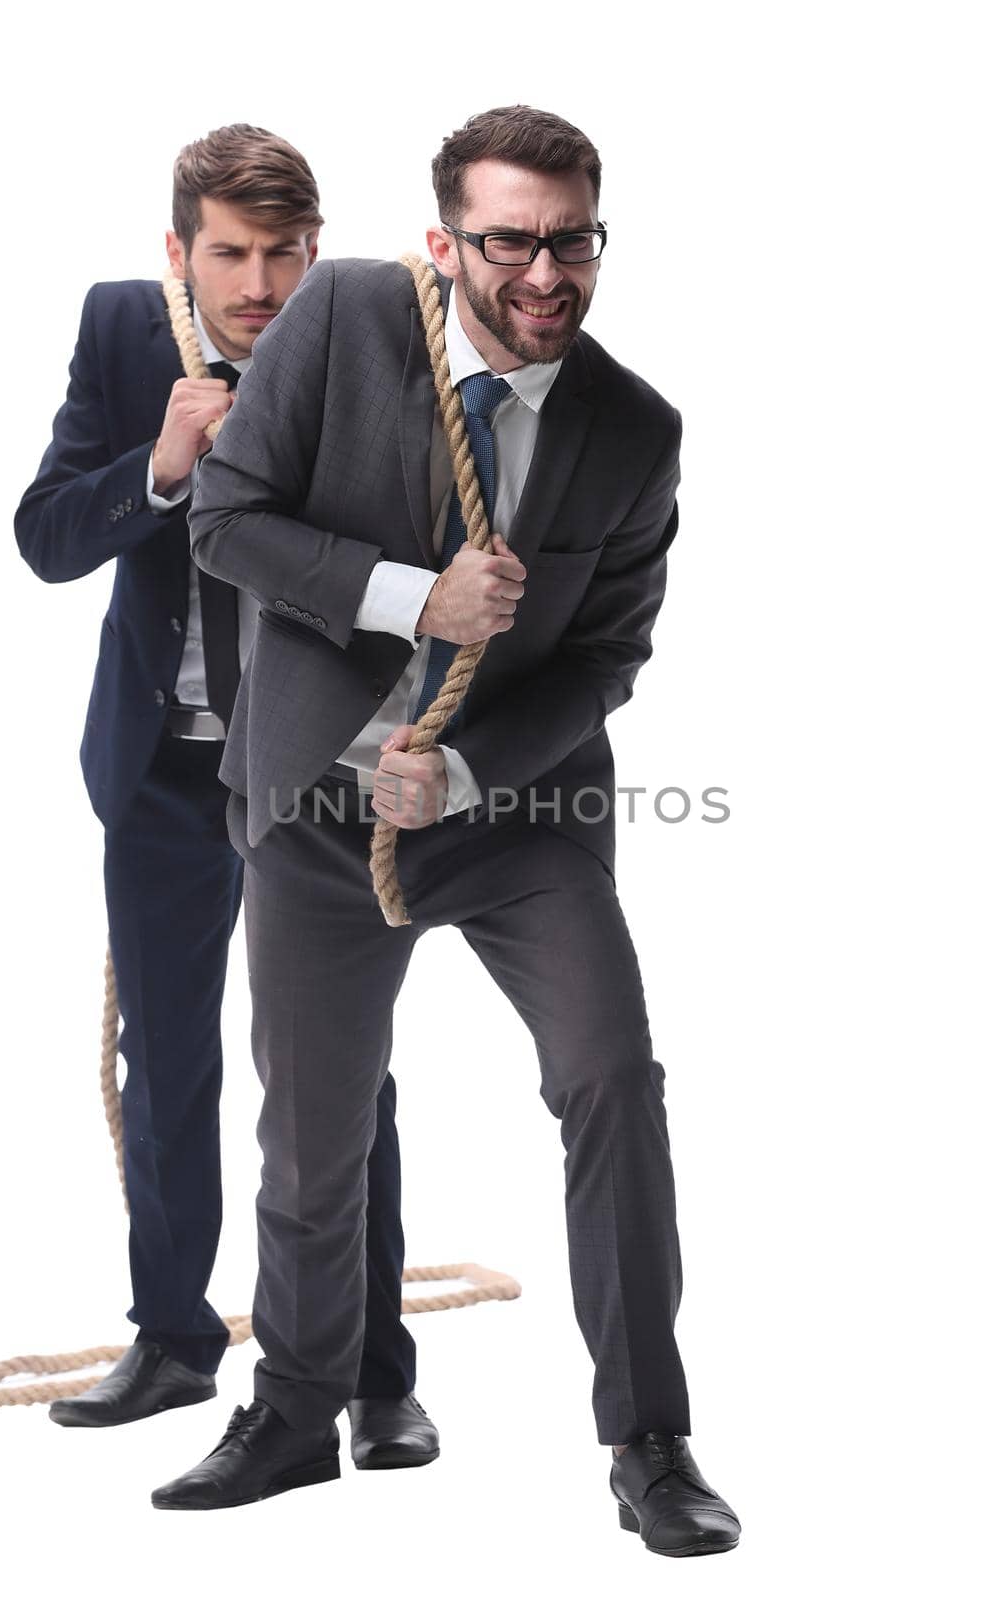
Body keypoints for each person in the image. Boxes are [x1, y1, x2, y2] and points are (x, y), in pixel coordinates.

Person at [154, 104, 739, 1558]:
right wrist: (413, 599)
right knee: (313, 1130)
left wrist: (465, 770)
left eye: (573, 240)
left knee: (613, 1077)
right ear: (445, 243)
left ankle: (650, 1442)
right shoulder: (350, 314)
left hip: (516, 814)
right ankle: (295, 1413)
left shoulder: (634, 429)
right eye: (511, 241)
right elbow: (225, 518)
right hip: (313, 809)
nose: (545, 273)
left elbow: (608, 657)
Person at [14, 123, 438, 1469]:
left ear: (315, 251)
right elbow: (45, 537)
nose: (256, 282)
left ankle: (377, 1374)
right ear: (177, 255)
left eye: (281, 254)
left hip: (318, 768)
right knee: (170, 1063)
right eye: (229, 255)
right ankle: (173, 1343)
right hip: (162, 767)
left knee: (338, 1072)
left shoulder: (379, 336)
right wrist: (161, 467)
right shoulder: (123, 333)